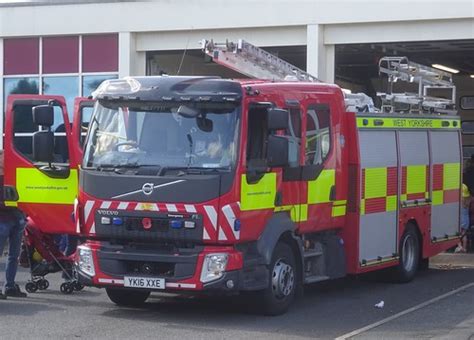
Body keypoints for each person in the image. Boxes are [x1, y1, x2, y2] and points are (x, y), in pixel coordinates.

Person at [0, 150, 27, 299]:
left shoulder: (13, 177)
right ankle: (8, 286)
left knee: (14, 255)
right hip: (4, 219)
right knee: (10, 255)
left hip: (15, 218)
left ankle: (10, 286)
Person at [455, 183, 471, 253]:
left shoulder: (459, 202)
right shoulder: (468, 201)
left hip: (460, 220)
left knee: (457, 234)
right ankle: (464, 248)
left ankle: (459, 246)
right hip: (466, 220)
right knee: (464, 234)